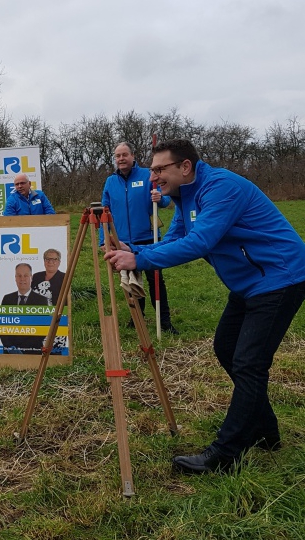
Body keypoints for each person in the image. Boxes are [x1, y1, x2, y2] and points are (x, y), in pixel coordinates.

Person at [105, 139, 305, 474]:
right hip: (249, 284)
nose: (153, 178)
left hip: (280, 277)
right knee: (227, 349)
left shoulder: (220, 188)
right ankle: (264, 432)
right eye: (152, 170)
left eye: (159, 170)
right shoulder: (183, 196)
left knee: (248, 363)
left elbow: (200, 242)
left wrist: (139, 258)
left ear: (185, 167)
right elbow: (174, 239)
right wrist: (135, 248)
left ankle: (225, 454)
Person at [102, 142, 178, 334]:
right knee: (131, 281)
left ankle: (165, 321)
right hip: (123, 242)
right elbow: (104, 211)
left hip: (148, 238)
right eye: (118, 155)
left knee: (156, 280)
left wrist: (160, 199)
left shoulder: (148, 176)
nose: (121, 159)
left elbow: (166, 199)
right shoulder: (111, 182)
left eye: (124, 155)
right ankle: (137, 318)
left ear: (132, 156)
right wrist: (104, 239)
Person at [0, 263, 48, 354]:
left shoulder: (41, 300)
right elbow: (2, 325)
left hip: (32, 351)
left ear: (31, 277)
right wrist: (10, 347)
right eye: (19, 275)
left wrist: (23, 349)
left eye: (25, 275)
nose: (22, 279)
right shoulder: (7, 298)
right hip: (10, 353)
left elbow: (43, 328)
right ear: (15, 278)